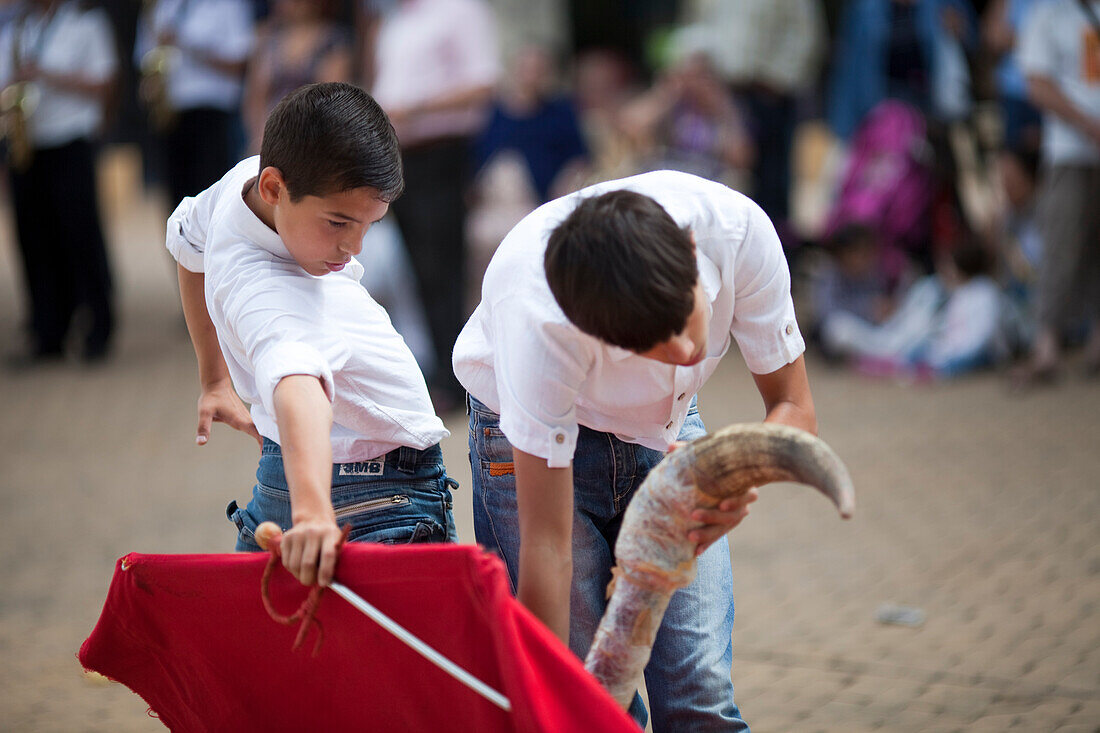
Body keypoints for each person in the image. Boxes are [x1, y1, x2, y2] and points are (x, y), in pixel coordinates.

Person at [453, 170, 817, 731]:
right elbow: (547, 547)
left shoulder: (739, 231)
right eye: (646, 344)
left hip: (670, 431)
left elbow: (793, 408)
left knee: (701, 692)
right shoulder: (537, 318)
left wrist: (732, 479)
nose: (684, 351)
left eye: (682, 315)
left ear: (690, 251)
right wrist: (550, 706)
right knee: (592, 697)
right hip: (529, 433)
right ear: (587, 326)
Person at [166, 82, 457, 587]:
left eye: (370, 224)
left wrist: (213, 379)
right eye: (339, 222)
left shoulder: (245, 185)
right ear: (276, 187)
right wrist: (315, 515)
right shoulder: (266, 289)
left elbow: (186, 242)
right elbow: (300, 385)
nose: (354, 247)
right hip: (376, 493)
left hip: (285, 475)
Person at [364, 0, 500, 410]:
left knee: (444, 267)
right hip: (400, 153)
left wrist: (416, 107)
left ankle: (457, 377)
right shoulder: (394, 21)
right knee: (418, 270)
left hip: (441, 150)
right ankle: (439, 369)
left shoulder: (459, 10)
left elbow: (483, 82)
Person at [0, 0, 118, 363]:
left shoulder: (85, 24)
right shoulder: (18, 28)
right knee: (33, 239)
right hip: (28, 143)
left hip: (70, 140)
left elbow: (103, 81)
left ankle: (98, 327)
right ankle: (47, 330)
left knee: (80, 235)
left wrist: (45, 74)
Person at [1013, 0, 1100, 385]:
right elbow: (1037, 84)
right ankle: (1046, 345)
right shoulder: (1047, 15)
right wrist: (1087, 124)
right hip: (1069, 151)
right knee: (1060, 245)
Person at [136, 0, 255, 213]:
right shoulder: (160, 6)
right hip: (171, 110)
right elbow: (145, 57)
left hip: (211, 111)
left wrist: (184, 44)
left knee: (211, 191)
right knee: (175, 197)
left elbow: (239, 62)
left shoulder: (228, 6)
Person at [241, 0, 352, 154]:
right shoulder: (267, 38)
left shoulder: (334, 41)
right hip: (267, 135)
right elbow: (255, 97)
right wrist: (260, 136)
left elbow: (331, 100)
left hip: (314, 137)